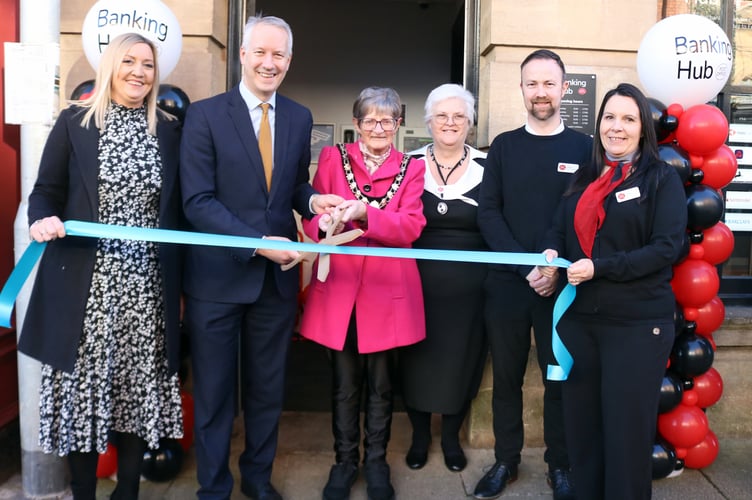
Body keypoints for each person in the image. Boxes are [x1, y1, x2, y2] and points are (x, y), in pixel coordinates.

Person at [179, 14, 343, 500]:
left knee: (268, 391)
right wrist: (257, 243)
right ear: (243, 55)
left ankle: (256, 479)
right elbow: (197, 201)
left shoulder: (298, 116)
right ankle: (213, 487)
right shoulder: (205, 115)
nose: (269, 63)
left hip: (276, 285)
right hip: (216, 283)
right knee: (214, 396)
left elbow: (291, 186)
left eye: (279, 55)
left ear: (289, 62)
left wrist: (314, 201)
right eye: (261, 52)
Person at [17, 32, 184, 499]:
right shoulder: (75, 122)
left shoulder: (169, 129)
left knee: (133, 397)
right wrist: (41, 219)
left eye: (147, 65)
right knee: (83, 401)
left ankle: (127, 491)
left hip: (147, 290)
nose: (138, 72)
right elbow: (45, 191)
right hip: (85, 291)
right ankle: (84, 493)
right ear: (111, 65)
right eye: (129, 61)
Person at [540, 83, 687, 500]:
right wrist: (550, 256)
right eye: (609, 117)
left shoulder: (660, 179)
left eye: (628, 119)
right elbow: (558, 228)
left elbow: (666, 248)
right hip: (582, 324)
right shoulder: (585, 176)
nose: (616, 128)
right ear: (598, 123)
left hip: (637, 327)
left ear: (643, 129)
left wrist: (600, 267)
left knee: (625, 439)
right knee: (583, 434)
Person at [474, 49, 592, 500]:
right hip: (507, 286)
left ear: (564, 88)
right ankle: (506, 460)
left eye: (548, 83)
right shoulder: (503, 146)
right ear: (521, 89)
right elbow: (489, 215)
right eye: (531, 83)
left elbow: (583, 217)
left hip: (561, 289)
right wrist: (527, 267)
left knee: (557, 377)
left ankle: (560, 465)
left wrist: (554, 270)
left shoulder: (584, 148)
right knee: (505, 378)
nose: (540, 92)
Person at [299, 87, 426, 500]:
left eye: (387, 121)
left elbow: (410, 227)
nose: (378, 128)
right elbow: (313, 221)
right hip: (340, 288)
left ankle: (376, 464)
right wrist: (327, 223)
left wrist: (364, 214)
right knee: (343, 383)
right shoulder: (335, 158)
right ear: (356, 124)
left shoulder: (412, 166)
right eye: (370, 120)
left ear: (397, 125)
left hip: (387, 292)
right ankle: (344, 462)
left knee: (381, 385)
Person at [399, 83, 488, 473]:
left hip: (471, 289)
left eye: (458, 116)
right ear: (428, 122)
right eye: (441, 116)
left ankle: (450, 438)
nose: (450, 123)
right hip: (413, 285)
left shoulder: (490, 168)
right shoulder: (406, 165)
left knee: (462, 361)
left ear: (469, 122)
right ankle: (420, 437)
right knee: (414, 359)